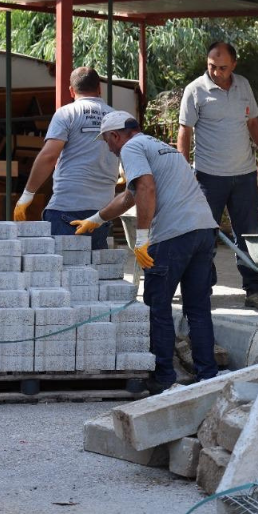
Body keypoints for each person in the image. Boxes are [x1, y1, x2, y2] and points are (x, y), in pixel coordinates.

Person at [73, 111, 220, 393]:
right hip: (204, 231)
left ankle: (164, 378)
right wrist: (97, 219)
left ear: (116, 135)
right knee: (198, 308)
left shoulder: (131, 148)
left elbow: (146, 188)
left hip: (174, 235)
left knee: (157, 306)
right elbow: (131, 195)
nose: (109, 148)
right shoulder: (161, 147)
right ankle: (208, 376)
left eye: (107, 141)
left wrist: (142, 239)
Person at [178, 41, 258, 310]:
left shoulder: (243, 86)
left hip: (244, 175)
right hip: (209, 176)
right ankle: (202, 288)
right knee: (205, 235)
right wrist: (184, 170)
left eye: (223, 68)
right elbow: (185, 131)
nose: (216, 72)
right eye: (212, 66)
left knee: (249, 235)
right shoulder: (195, 90)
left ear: (234, 65)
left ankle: (254, 289)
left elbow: (253, 121)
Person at [13, 66, 120, 249]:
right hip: (102, 212)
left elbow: (49, 156)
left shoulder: (67, 113)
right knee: (92, 266)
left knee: (61, 266)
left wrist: (27, 195)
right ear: (99, 88)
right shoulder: (117, 118)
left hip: (67, 210)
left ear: (71, 91)